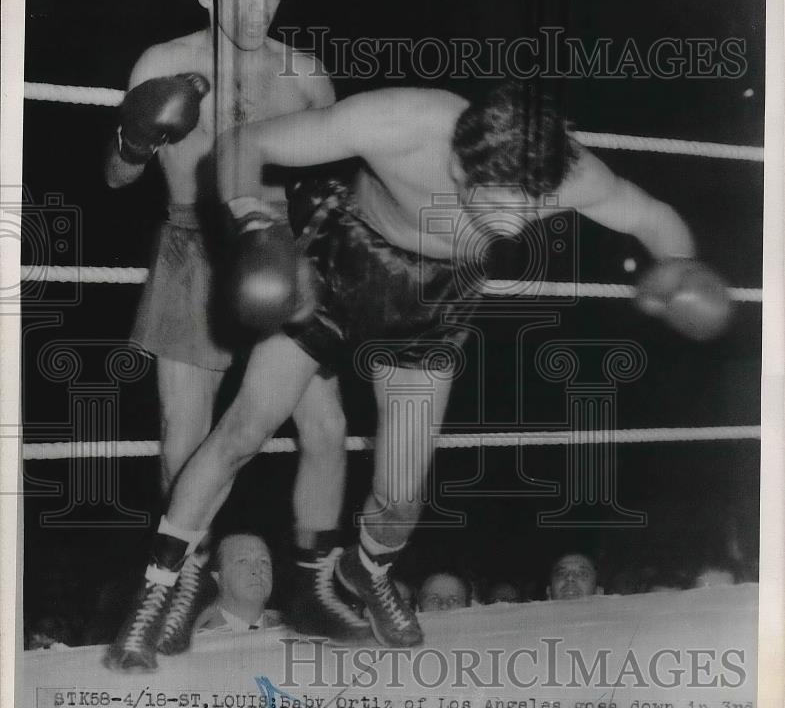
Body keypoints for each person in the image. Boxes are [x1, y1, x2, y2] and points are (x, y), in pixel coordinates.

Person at [107, 76, 732, 668]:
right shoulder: (403, 121)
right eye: (500, 203)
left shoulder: (567, 173)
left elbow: (653, 216)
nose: (517, 224)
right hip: (339, 264)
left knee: (403, 492)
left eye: (531, 206)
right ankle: (156, 589)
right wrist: (255, 224)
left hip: (438, 302)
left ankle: (367, 572)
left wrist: (680, 272)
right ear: (461, 166)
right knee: (244, 430)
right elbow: (249, 142)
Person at [103, 0, 348, 659]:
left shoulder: (305, 75)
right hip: (191, 247)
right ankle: (181, 586)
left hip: (283, 253)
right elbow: (115, 177)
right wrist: (137, 141)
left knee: (327, 429)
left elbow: (332, 187)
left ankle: (318, 584)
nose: (259, 3)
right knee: (185, 432)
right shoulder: (164, 64)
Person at [193, 532, 275, 633]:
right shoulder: (192, 635)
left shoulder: (292, 630)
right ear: (218, 577)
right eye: (243, 561)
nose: (257, 570)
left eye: (264, 561)